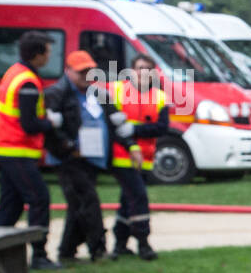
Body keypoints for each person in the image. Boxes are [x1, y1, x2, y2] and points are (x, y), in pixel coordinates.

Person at [0, 30, 62, 270]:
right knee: (39, 198)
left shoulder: (15, 72)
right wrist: (51, 122)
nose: (49, 56)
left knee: (11, 205)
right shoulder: (28, 82)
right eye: (48, 52)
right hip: (16, 149)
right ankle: (39, 256)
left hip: (6, 147)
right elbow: (30, 124)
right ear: (38, 54)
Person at [44, 50, 108, 262]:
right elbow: (52, 129)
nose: (86, 75)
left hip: (91, 157)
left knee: (77, 205)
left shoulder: (96, 93)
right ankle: (98, 248)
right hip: (68, 158)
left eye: (89, 71)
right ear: (68, 71)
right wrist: (69, 147)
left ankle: (67, 251)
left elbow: (111, 116)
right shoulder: (56, 93)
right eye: (81, 72)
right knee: (88, 201)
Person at [107, 55, 169, 261]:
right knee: (139, 198)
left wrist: (134, 129)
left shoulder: (159, 97)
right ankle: (143, 243)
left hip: (146, 159)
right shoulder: (116, 90)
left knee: (127, 202)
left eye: (147, 69)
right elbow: (110, 122)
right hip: (121, 157)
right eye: (139, 68)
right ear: (131, 71)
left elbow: (162, 128)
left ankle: (120, 245)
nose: (143, 73)